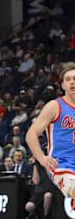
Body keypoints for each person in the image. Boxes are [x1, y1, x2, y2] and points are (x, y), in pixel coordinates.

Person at [26, 62, 75, 199]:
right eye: (68, 80)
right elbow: (31, 134)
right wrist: (41, 157)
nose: (72, 82)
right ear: (63, 85)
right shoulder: (55, 106)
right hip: (62, 165)